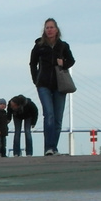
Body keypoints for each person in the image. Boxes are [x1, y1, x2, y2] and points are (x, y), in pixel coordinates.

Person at [28, 17, 75, 155]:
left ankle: (54, 148)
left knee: (58, 117)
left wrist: (63, 63)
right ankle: (48, 148)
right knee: (49, 114)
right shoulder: (39, 46)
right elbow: (32, 63)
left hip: (60, 85)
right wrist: (35, 79)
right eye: (47, 27)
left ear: (56, 29)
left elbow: (71, 60)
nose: (49, 30)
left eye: (51, 27)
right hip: (43, 85)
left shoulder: (63, 46)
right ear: (44, 30)